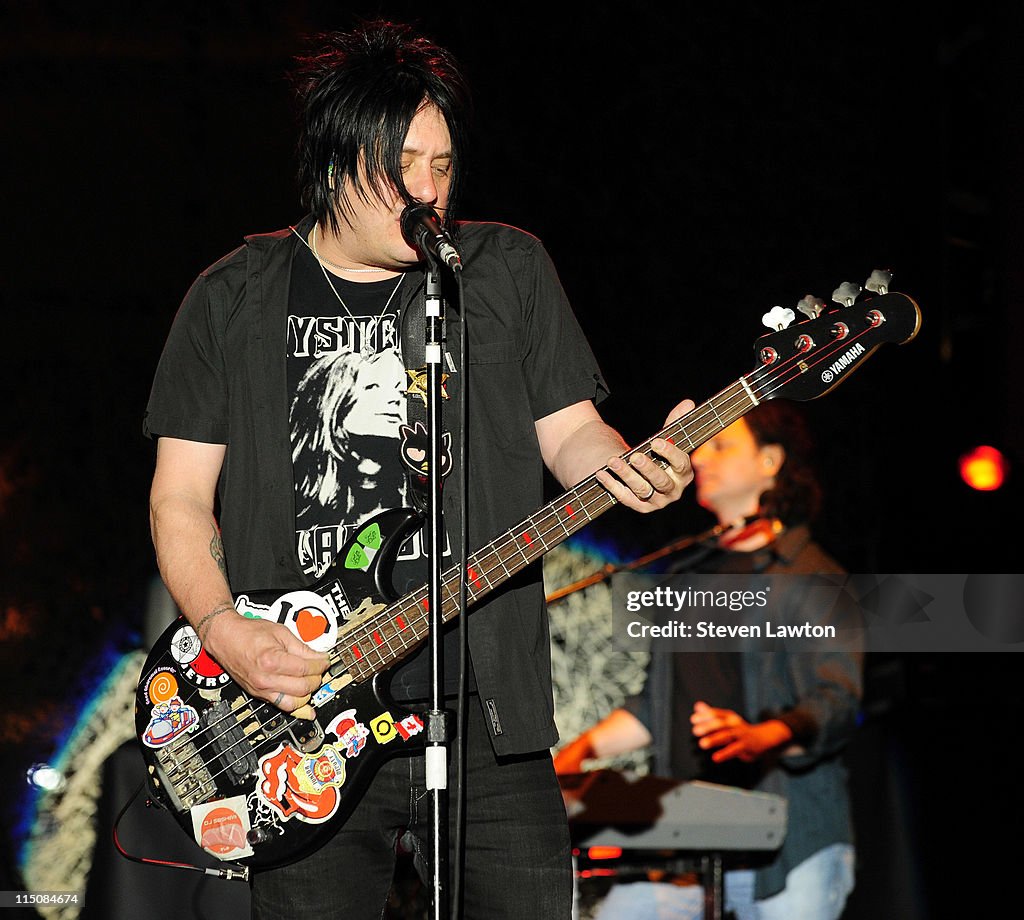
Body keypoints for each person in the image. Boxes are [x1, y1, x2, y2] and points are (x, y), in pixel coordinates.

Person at [143, 19, 694, 920]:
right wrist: (222, 630)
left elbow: (572, 437)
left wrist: (631, 467)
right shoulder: (233, 296)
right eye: (403, 165)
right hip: (299, 716)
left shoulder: (504, 269)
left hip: (485, 710)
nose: (428, 190)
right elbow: (178, 502)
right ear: (331, 164)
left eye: (442, 165)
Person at [554, 402, 862, 920]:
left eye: (722, 445)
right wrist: (581, 750)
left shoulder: (809, 575)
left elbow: (835, 699)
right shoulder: (687, 577)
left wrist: (761, 735)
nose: (702, 458)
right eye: (701, 448)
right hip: (683, 846)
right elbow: (656, 706)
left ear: (770, 460)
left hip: (792, 848)